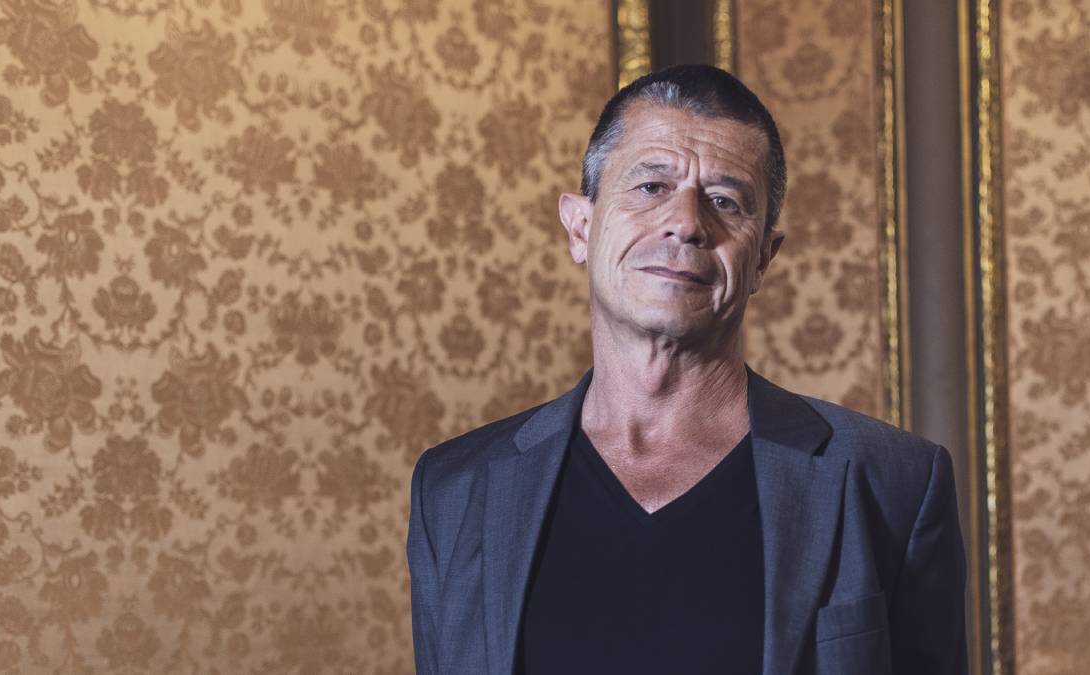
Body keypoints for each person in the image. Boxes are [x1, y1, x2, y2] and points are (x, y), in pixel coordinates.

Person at [406, 64, 966, 675]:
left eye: (725, 200)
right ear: (580, 227)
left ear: (763, 258)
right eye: (651, 186)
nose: (687, 223)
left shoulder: (892, 482)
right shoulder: (454, 489)